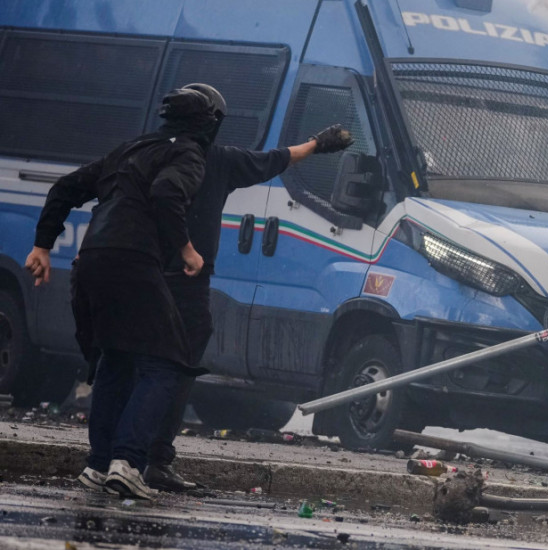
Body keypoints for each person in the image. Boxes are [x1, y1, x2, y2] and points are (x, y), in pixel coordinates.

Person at [139, 83, 355, 492]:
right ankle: (152, 460)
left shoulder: (142, 154)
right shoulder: (216, 161)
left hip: (136, 275)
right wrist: (318, 143)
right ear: (214, 123)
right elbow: (276, 159)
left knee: (132, 365)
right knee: (176, 367)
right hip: (184, 283)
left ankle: (116, 457)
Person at [24, 86, 223, 499]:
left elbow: (65, 187)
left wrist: (42, 245)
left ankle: (98, 465)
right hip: (134, 260)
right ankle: (129, 462)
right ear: (208, 125)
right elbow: (167, 192)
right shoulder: (187, 153)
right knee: (168, 363)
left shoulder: (129, 148)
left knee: (116, 358)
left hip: (92, 259)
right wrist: (187, 250)